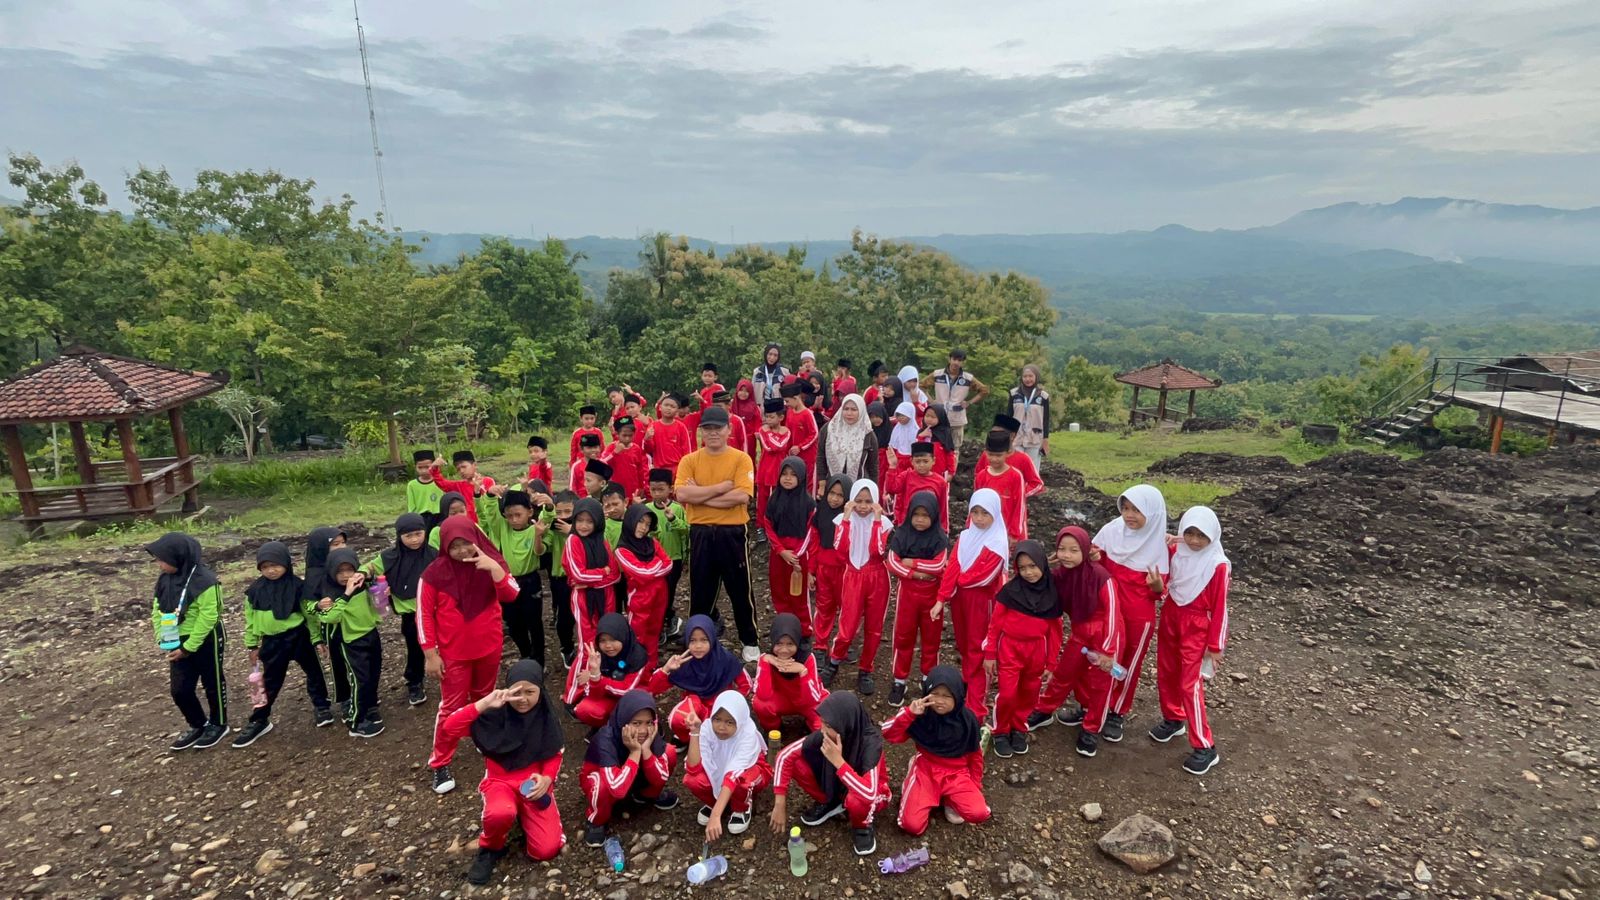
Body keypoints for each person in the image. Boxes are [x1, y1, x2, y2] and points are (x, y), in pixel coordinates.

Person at [440, 659, 567, 884]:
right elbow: (450, 727)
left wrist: (547, 779)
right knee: (500, 813)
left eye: (530, 692)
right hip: (499, 782)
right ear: (508, 690)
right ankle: (491, 846)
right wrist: (485, 703)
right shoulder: (493, 716)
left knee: (545, 850)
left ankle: (526, 821)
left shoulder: (545, 716)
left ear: (541, 691)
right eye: (517, 692)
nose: (523, 699)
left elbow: (554, 753)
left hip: (532, 785)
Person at [421, 518, 519, 795]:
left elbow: (512, 594)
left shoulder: (490, 562)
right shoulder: (433, 574)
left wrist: (494, 569)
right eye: (455, 546)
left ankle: (483, 738)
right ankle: (440, 762)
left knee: (484, 697)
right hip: (453, 654)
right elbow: (424, 615)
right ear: (445, 546)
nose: (462, 551)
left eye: (467, 543)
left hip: (488, 647)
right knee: (451, 707)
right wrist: (430, 654)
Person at [1027, 525, 1122, 758]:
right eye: (1062, 549)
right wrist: (1044, 566)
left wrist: (1108, 651)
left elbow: (1113, 613)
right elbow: (1036, 584)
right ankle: (1044, 710)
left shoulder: (1101, 576)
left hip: (1105, 635)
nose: (1067, 555)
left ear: (1086, 550)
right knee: (1064, 672)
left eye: (1074, 550)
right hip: (1080, 633)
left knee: (1101, 683)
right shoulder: (1061, 575)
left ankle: (1091, 728)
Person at [674, 406, 760, 655]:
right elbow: (682, 494)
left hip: (732, 532)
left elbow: (742, 497)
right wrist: (721, 488)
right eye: (707, 428)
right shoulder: (690, 460)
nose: (713, 433)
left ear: (728, 430)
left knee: (740, 589)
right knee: (700, 590)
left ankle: (750, 641)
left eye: (718, 428)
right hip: (701, 531)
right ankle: (697, 640)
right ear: (701, 431)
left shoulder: (741, 459)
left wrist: (700, 495)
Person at [1151, 507, 1230, 776]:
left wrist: (1215, 646)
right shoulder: (1177, 551)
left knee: (1190, 684)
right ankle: (1173, 718)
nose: (1195, 540)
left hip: (1197, 626)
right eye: (1190, 533)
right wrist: (1169, 540)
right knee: (1167, 671)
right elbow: (1161, 561)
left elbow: (1220, 608)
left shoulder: (1218, 565)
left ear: (1213, 536)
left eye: (1201, 535)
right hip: (1172, 615)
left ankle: (1205, 746)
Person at [235, 541, 334, 747]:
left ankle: (322, 706)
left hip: (298, 636)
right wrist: (252, 645)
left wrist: (317, 638)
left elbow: (309, 615)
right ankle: (260, 719)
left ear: (286, 564)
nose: (271, 570)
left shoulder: (298, 586)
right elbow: (250, 620)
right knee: (270, 681)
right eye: (265, 567)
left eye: (275, 565)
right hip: (271, 642)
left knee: (314, 672)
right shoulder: (254, 591)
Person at [770, 692, 891, 856]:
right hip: (842, 784)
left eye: (828, 725)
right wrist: (779, 803)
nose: (822, 729)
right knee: (797, 762)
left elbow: (869, 793)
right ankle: (830, 802)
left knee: (856, 801)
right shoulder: (827, 734)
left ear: (845, 724)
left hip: (873, 794)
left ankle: (862, 825)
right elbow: (784, 756)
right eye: (822, 722)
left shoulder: (871, 745)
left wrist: (839, 762)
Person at [1092, 484, 1169, 743]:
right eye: (1125, 508)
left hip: (1138, 615)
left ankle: (1117, 710)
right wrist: (1094, 556)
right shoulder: (1112, 531)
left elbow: (1161, 591)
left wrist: (1157, 587)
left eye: (1137, 510)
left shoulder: (1159, 545)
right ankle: (1092, 703)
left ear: (1152, 513)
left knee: (1127, 663)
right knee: (1101, 656)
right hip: (1108, 608)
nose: (1129, 515)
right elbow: (1096, 563)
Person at [882, 665, 989, 834]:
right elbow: (888, 733)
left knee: (978, 813)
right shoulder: (921, 715)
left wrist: (975, 785)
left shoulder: (968, 721)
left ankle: (950, 799)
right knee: (911, 825)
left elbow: (975, 757)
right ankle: (914, 776)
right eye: (935, 694)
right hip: (926, 770)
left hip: (957, 774)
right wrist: (909, 713)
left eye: (947, 696)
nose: (940, 700)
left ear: (958, 696)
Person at [148, 533, 228, 752]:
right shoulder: (164, 580)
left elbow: (209, 616)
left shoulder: (206, 581)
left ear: (178, 556)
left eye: (162, 560)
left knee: (212, 682)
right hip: (176, 638)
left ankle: (219, 724)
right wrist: (163, 637)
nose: (159, 564)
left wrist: (189, 647)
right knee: (180, 690)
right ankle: (198, 724)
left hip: (206, 637)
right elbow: (157, 609)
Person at [933, 489, 1008, 720]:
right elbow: (953, 565)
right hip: (960, 600)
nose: (979, 518)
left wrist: (958, 580)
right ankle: (969, 684)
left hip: (981, 602)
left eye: (985, 513)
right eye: (975, 512)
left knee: (979, 648)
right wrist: (942, 598)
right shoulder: (966, 537)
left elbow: (983, 577)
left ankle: (977, 708)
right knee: (965, 645)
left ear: (995, 514)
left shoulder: (997, 542)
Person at [983, 541, 1062, 758]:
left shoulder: (1052, 594)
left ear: (1042, 564)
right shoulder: (1010, 591)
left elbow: (1055, 632)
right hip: (1010, 647)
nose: (1028, 572)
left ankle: (1019, 726)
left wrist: (1051, 662)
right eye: (1023, 568)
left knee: (1030, 691)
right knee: (1008, 693)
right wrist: (990, 653)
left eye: (1033, 566)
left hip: (1037, 650)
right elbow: (995, 625)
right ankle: (1000, 730)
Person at [819, 479, 891, 696]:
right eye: (858, 500)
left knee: (874, 628)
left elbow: (877, 551)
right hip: (852, 576)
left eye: (868, 501)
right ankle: (834, 661)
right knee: (847, 626)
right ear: (851, 500)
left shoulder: (884, 523)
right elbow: (841, 550)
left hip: (877, 576)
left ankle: (866, 669)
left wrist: (876, 521)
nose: (863, 506)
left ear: (875, 501)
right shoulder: (843, 520)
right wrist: (847, 518)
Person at [580, 690, 680, 846]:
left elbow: (661, 777)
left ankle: (646, 795)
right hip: (610, 784)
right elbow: (617, 789)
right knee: (601, 786)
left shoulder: (652, 732)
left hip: (633, 776)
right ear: (623, 721)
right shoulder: (605, 738)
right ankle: (597, 820)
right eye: (636, 723)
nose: (643, 730)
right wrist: (634, 752)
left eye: (648, 722)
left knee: (669, 753)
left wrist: (646, 750)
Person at [362, 514, 436, 707]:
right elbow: (370, 567)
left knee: (445, 644)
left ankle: (451, 675)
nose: (414, 540)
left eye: (418, 534)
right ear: (399, 536)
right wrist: (363, 574)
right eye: (408, 536)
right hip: (411, 614)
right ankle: (414, 681)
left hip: (435, 610)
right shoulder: (390, 556)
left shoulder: (434, 555)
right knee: (415, 649)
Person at [886, 490, 951, 707]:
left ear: (934, 516)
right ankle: (899, 681)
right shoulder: (902, 534)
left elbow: (939, 565)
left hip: (932, 596)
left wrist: (911, 563)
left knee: (931, 639)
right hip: (908, 593)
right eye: (916, 514)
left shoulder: (939, 537)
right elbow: (892, 562)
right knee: (903, 636)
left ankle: (928, 679)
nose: (920, 520)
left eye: (925, 515)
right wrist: (916, 574)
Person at [313, 547, 384, 737]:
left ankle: (369, 706)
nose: (345, 576)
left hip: (370, 633)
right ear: (331, 571)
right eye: (340, 571)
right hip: (351, 641)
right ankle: (356, 721)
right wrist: (346, 594)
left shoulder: (363, 585)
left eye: (349, 570)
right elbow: (330, 618)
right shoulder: (328, 593)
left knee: (373, 673)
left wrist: (379, 591)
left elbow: (377, 601)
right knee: (360, 680)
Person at [648, 615, 752, 743]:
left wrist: (732, 703)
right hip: (696, 709)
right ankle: (688, 739)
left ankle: (712, 740)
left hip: (721, 709)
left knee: (724, 733)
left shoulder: (726, 659)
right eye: (693, 640)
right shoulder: (684, 662)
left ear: (712, 639)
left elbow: (746, 685)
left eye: (704, 640)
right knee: (678, 718)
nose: (698, 646)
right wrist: (666, 669)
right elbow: (652, 688)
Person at [684, 690, 772, 841]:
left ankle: (741, 808)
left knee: (743, 783)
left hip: (749, 772)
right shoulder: (706, 729)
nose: (721, 727)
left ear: (740, 721)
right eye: (717, 719)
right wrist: (695, 732)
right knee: (692, 780)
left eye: (729, 722)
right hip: (722, 772)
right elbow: (693, 768)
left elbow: (733, 776)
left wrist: (715, 816)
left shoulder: (747, 734)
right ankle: (714, 802)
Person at [479, 488, 544, 665]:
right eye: (509, 516)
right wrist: (490, 495)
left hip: (530, 580)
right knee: (513, 622)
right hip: (507, 581)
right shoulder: (503, 528)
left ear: (529, 512)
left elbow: (548, 517)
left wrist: (549, 507)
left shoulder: (535, 530)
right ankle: (526, 654)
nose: (514, 519)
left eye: (518, 515)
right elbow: (491, 514)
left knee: (534, 622)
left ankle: (538, 661)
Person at [564, 612, 652, 729]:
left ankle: (632, 725)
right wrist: (595, 674)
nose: (608, 645)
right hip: (610, 696)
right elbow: (592, 694)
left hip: (632, 699)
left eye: (613, 639)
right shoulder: (597, 656)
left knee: (636, 709)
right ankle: (605, 727)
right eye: (603, 641)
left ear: (623, 636)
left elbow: (626, 689)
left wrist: (597, 678)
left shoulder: (637, 656)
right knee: (583, 709)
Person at [563, 497, 620, 672]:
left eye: (590, 521)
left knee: (607, 636)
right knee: (587, 644)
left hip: (606, 596)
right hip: (583, 599)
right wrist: (603, 572)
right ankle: (580, 682)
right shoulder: (573, 540)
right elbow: (578, 574)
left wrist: (590, 582)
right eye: (580, 520)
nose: (584, 526)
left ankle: (606, 676)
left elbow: (616, 575)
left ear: (598, 522)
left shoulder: (602, 541)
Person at [763, 457, 817, 639]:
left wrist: (796, 555)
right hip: (778, 554)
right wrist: (780, 550)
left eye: (793, 475)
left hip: (799, 556)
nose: (788, 478)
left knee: (798, 595)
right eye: (784, 474)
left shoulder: (808, 503)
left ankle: (804, 631)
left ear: (801, 477)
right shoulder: (774, 499)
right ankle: (785, 629)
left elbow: (811, 531)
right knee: (779, 590)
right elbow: (768, 525)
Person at [752, 613, 827, 731]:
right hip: (782, 701)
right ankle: (774, 730)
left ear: (798, 641)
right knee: (760, 704)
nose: (784, 650)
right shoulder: (766, 659)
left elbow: (813, 699)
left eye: (790, 644)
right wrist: (765, 662)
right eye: (779, 643)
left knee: (825, 724)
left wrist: (803, 671)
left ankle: (810, 728)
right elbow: (763, 695)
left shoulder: (807, 658)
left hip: (806, 701)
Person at [302, 527, 349, 714]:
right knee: (338, 664)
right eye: (335, 544)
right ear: (321, 548)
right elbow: (307, 607)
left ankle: (364, 695)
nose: (341, 548)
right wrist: (317, 638)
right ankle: (345, 698)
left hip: (356, 623)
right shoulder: (315, 576)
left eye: (343, 543)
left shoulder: (347, 566)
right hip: (332, 628)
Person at [616, 504, 673, 657]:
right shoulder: (622, 549)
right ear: (630, 520)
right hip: (640, 596)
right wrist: (657, 562)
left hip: (660, 592)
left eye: (647, 524)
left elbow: (669, 564)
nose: (643, 527)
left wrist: (651, 568)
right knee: (637, 633)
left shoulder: (652, 542)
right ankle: (635, 665)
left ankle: (650, 664)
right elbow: (642, 573)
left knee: (655, 629)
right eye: (640, 521)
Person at [810, 474, 851, 657]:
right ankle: (820, 644)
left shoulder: (851, 518)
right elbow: (814, 543)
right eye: (831, 493)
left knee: (847, 607)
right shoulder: (821, 512)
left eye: (840, 495)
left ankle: (844, 643)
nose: (834, 499)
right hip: (824, 568)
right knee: (824, 606)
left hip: (845, 570)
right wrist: (811, 571)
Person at [646, 469, 688, 643]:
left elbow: (687, 530)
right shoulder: (646, 509)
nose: (657, 493)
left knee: (668, 592)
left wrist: (673, 520)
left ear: (670, 489)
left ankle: (667, 620)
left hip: (673, 558)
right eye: (653, 489)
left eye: (661, 489)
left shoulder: (677, 509)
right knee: (655, 593)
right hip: (653, 560)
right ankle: (660, 623)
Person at [537, 491, 578, 666]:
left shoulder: (584, 527)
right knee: (565, 617)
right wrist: (538, 535)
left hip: (583, 579)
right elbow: (540, 550)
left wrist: (573, 532)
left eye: (567, 512)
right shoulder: (553, 532)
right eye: (559, 512)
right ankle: (567, 649)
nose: (562, 517)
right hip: (561, 580)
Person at [924, 349, 990, 450]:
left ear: (963, 362)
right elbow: (921, 386)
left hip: (957, 419)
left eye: (959, 360)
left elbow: (984, 390)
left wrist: (969, 402)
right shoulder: (938, 374)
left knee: (955, 449)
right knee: (937, 447)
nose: (956, 362)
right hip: (939, 418)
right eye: (954, 359)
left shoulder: (968, 378)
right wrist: (931, 401)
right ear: (949, 359)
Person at [816, 393, 879, 491]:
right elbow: (821, 456)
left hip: (858, 488)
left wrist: (873, 489)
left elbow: (873, 467)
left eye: (854, 409)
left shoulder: (868, 434)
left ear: (861, 410)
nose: (849, 413)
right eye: (846, 409)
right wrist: (822, 482)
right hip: (831, 485)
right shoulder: (829, 429)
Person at [974, 430, 1028, 543]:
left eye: (998, 455)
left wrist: (1014, 533)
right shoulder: (981, 476)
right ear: (985, 453)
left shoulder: (1015, 476)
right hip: (986, 530)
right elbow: (975, 505)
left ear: (1007, 453)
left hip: (1007, 532)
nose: (994, 459)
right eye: (990, 454)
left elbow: (1019, 506)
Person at [885, 441, 950, 530]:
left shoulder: (940, 482)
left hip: (929, 525)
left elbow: (943, 508)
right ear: (912, 461)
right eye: (918, 462)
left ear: (933, 461)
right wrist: (892, 467)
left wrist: (943, 530)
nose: (921, 465)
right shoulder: (906, 476)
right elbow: (891, 488)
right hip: (907, 525)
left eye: (925, 461)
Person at [754, 398, 792, 542]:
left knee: (781, 497)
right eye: (767, 417)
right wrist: (768, 434)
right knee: (762, 500)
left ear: (781, 417)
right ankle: (761, 526)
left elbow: (780, 446)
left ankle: (777, 524)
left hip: (780, 470)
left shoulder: (786, 431)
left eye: (771, 417)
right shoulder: (762, 430)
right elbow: (768, 447)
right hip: (765, 470)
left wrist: (769, 434)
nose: (768, 420)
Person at [991, 414, 1046, 498]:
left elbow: (1037, 484)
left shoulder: (1022, 459)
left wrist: (1018, 494)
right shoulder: (987, 456)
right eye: (992, 433)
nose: (995, 437)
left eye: (999, 434)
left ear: (1012, 436)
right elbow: (979, 476)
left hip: (1014, 503)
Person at [1009, 365, 1051, 467]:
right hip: (1016, 437)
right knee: (1016, 467)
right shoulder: (1014, 394)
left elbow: (1045, 419)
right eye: (1025, 376)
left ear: (1036, 377)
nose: (1028, 379)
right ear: (1021, 377)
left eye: (1031, 376)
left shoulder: (1043, 396)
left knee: (1032, 468)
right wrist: (1007, 436)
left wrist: (1045, 439)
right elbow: (1009, 415)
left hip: (1034, 438)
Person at [643, 394, 694, 478]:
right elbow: (648, 450)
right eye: (666, 405)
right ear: (660, 407)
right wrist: (647, 439)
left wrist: (686, 469)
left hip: (678, 470)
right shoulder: (653, 426)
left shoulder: (681, 427)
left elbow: (687, 451)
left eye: (672, 406)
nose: (668, 408)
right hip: (659, 470)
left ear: (677, 411)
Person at [781, 382, 820, 489]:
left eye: (787, 401)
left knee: (808, 482)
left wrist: (800, 447)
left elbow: (814, 434)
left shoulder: (807, 414)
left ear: (796, 398)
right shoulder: (790, 412)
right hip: (794, 454)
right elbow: (788, 433)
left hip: (808, 456)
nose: (786, 404)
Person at [603, 417, 650, 500]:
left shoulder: (636, 448)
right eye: (624, 435)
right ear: (617, 434)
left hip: (633, 489)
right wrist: (614, 453)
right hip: (616, 489)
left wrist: (641, 486)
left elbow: (640, 470)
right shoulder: (611, 447)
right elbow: (602, 463)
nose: (627, 438)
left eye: (630, 435)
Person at [918, 405, 957, 479]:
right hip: (923, 471)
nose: (929, 419)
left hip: (939, 472)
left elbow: (949, 453)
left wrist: (951, 472)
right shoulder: (921, 431)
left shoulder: (944, 433)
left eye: (933, 417)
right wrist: (921, 437)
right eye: (927, 416)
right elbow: (917, 452)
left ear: (940, 418)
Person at [730, 379, 763, 454]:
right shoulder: (732, 404)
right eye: (741, 390)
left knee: (749, 454)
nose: (743, 393)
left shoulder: (754, 406)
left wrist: (757, 431)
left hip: (749, 436)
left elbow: (757, 420)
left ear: (750, 393)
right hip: (735, 434)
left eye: (746, 391)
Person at [408, 450, 445, 515]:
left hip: (439, 516)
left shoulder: (440, 482)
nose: (423, 471)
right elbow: (411, 507)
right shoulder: (412, 485)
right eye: (420, 467)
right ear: (415, 467)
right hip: (420, 517)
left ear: (434, 465)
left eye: (427, 467)